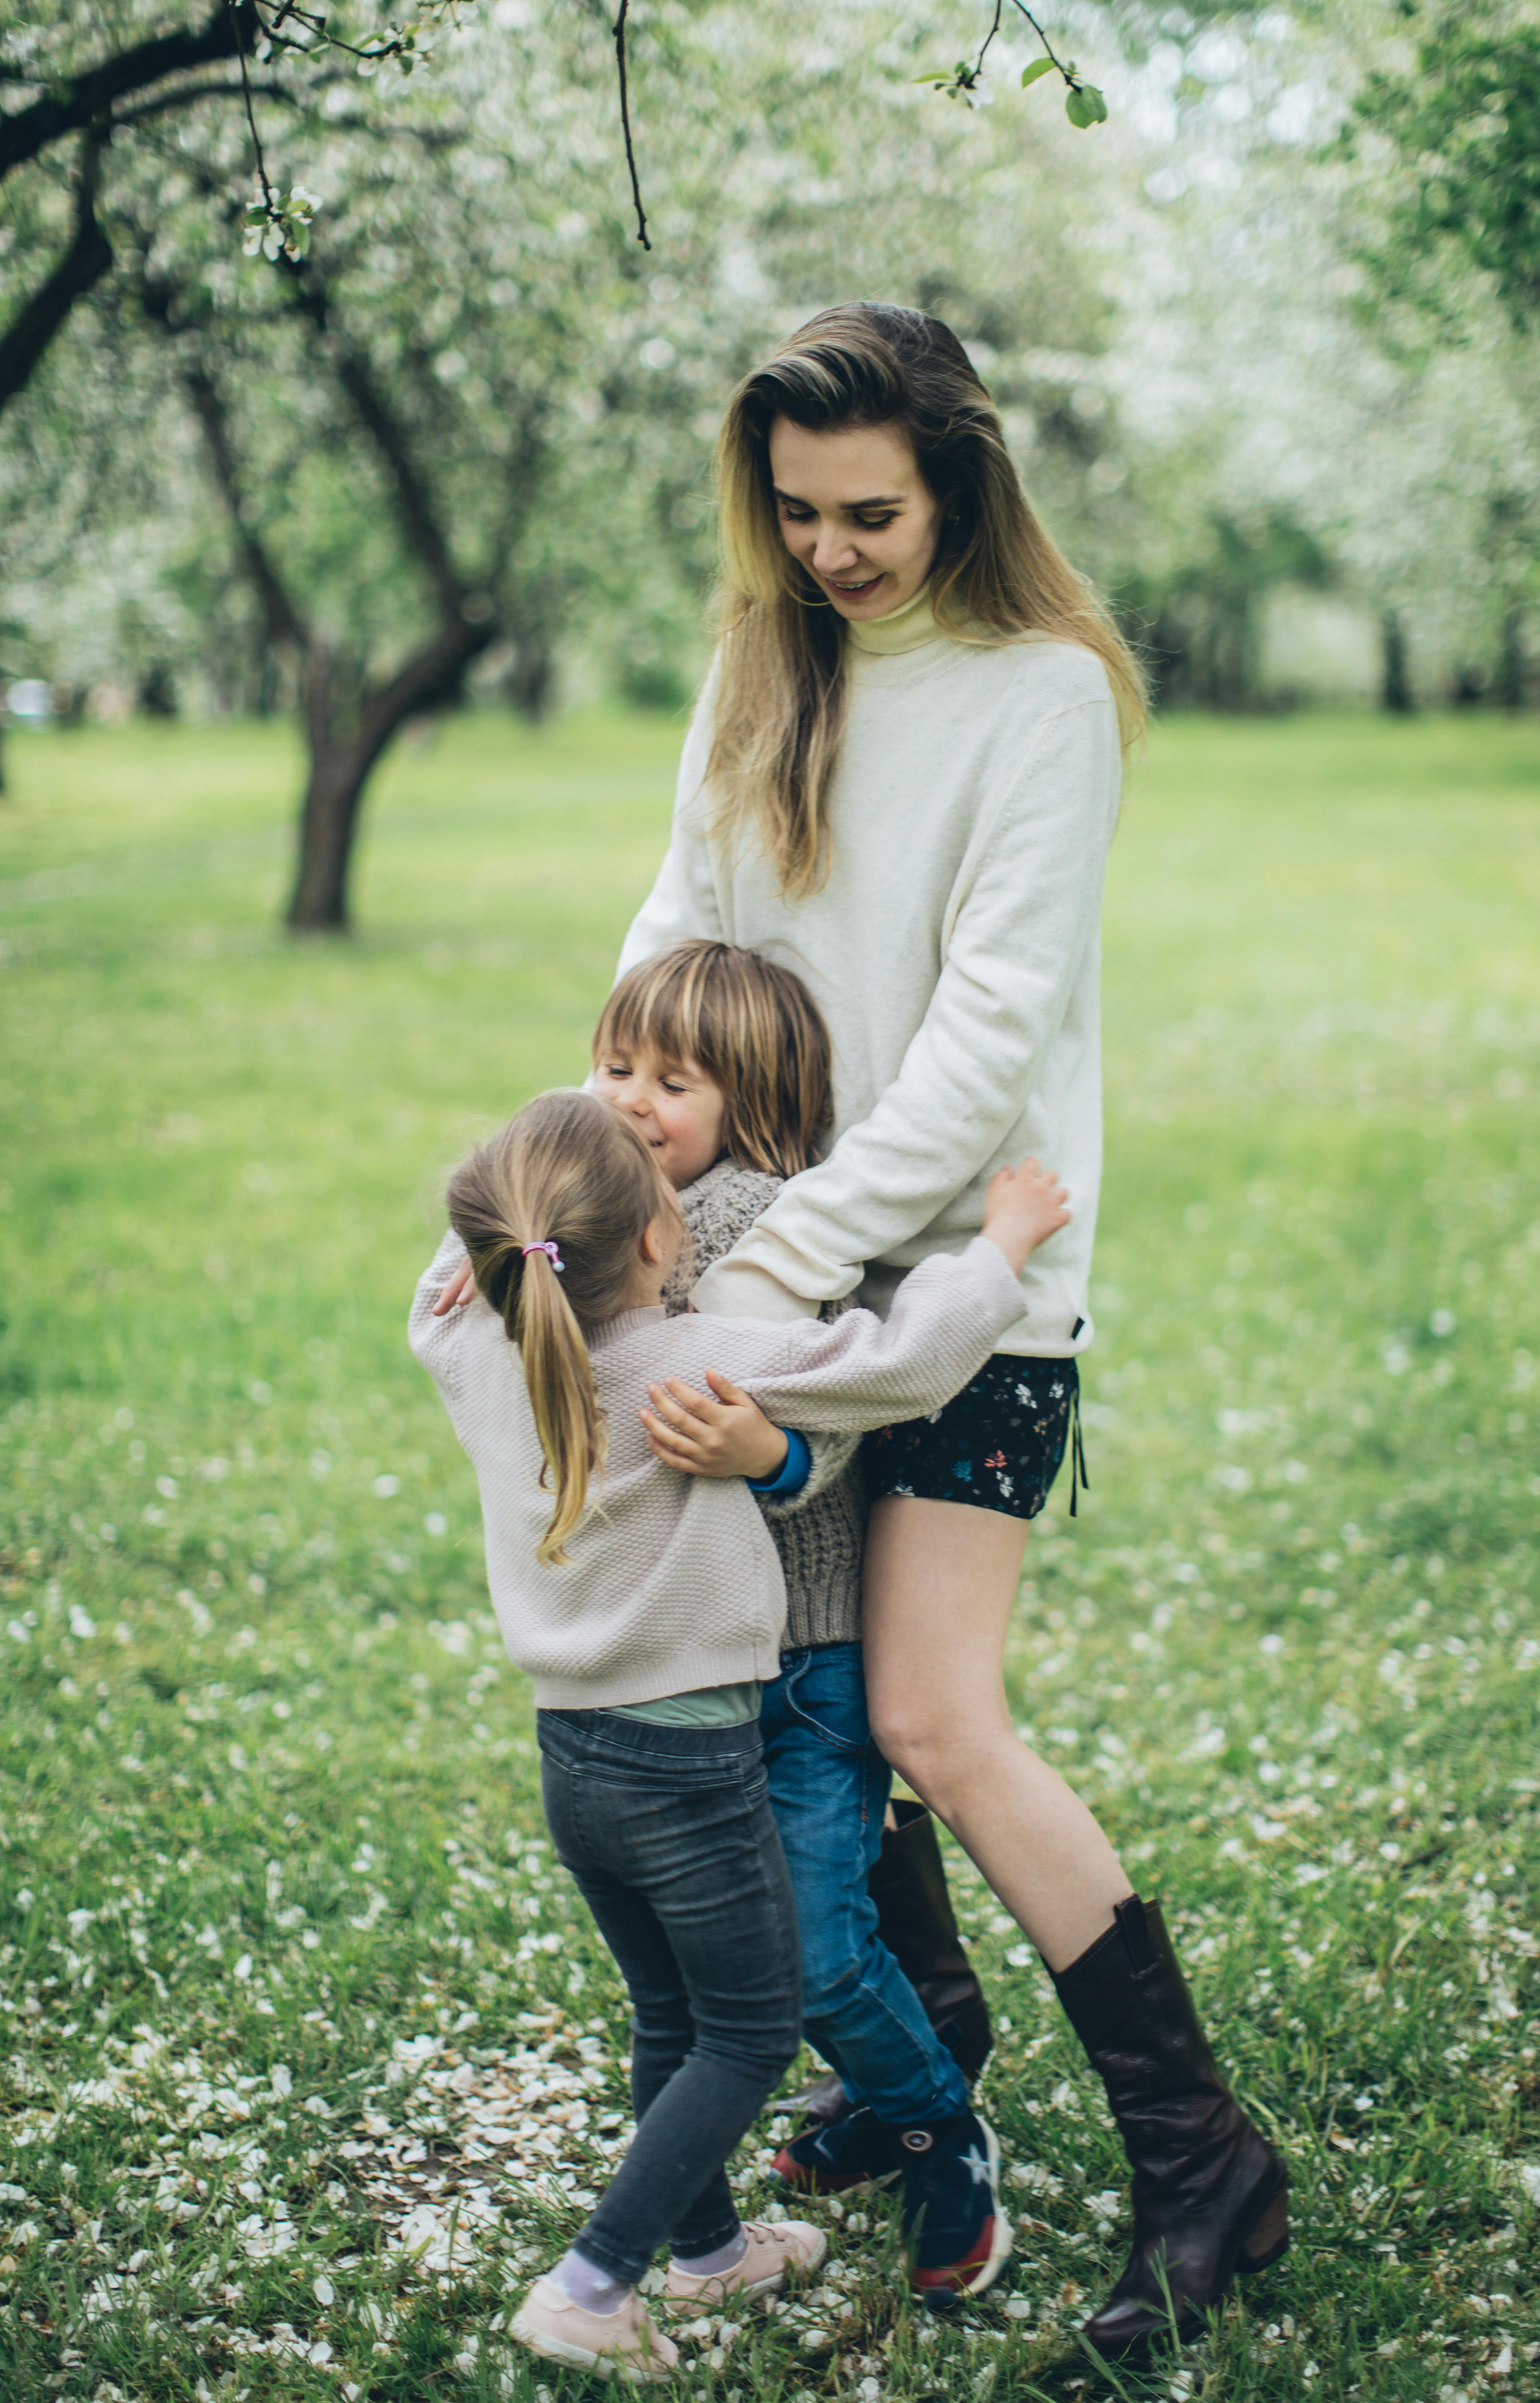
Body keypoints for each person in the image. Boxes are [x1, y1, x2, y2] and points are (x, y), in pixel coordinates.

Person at [611, 300, 1290, 2361]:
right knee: (786, 1696)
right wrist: (573, 1190)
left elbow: (987, 1047)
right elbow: (670, 945)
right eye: (797, 511)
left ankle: (1205, 2161)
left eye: (872, 513)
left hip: (970, 1291)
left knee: (928, 1715)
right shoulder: (767, 663)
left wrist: (775, 1272)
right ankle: (933, 2053)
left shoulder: (1045, 695)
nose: (830, 550)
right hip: (770, 1268)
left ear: (963, 488)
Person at [409, 1086, 1068, 2376]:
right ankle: (591, 2288)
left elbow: (470, 1241)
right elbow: (901, 1362)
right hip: (688, 1765)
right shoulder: (695, 1358)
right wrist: (1000, 1246)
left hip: (574, 1762)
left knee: (669, 2014)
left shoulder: (471, 1343)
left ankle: (710, 2255)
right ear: (663, 1243)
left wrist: (553, 1140)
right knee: (749, 2033)